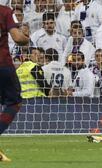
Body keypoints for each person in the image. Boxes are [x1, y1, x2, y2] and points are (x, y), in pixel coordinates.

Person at [0, 5, 30, 161]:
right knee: (14, 103)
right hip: (2, 65)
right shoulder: (4, 11)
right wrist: (27, 38)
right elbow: (18, 38)